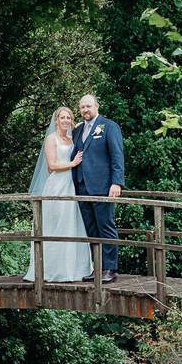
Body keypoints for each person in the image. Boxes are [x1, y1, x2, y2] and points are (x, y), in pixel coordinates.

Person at [23, 107, 93, 282]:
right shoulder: (51, 139)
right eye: (62, 117)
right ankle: (50, 270)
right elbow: (52, 166)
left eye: (68, 117)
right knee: (55, 225)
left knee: (71, 224)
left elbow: (84, 127)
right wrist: (73, 163)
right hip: (57, 185)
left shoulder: (72, 138)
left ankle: (72, 269)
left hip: (71, 185)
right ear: (56, 120)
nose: (66, 120)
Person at [71, 94, 125, 283]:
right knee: (91, 229)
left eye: (88, 106)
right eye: (82, 107)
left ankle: (110, 269)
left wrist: (116, 182)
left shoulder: (109, 126)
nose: (85, 110)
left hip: (102, 186)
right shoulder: (78, 130)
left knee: (105, 226)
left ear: (97, 106)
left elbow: (117, 156)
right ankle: (98, 267)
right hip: (81, 186)